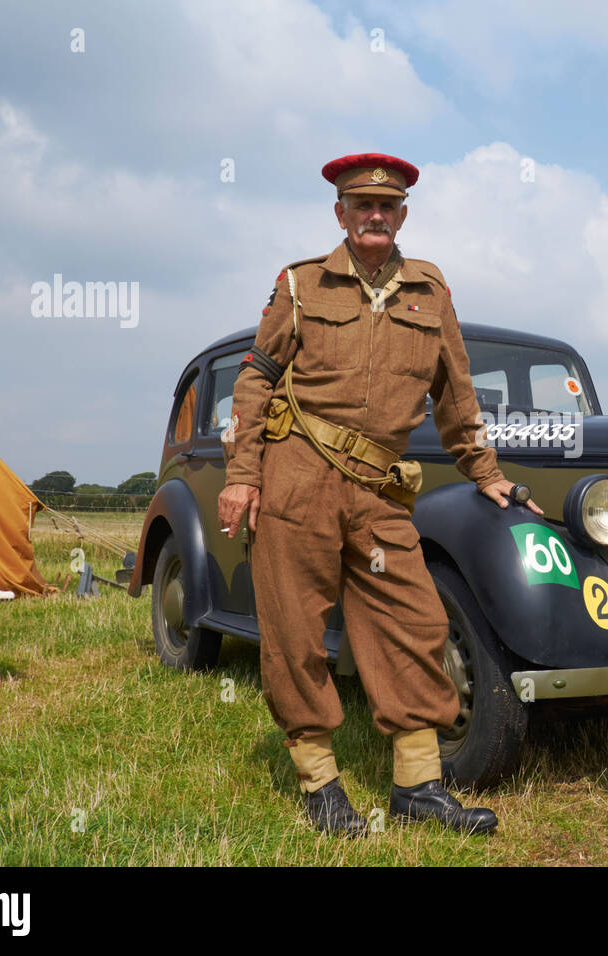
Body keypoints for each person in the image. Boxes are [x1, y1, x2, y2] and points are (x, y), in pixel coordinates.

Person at [216, 153, 542, 837]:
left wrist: (488, 475)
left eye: (386, 207)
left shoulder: (431, 292)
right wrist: (244, 476)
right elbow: (256, 379)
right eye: (360, 205)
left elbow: (457, 398)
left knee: (415, 623)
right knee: (295, 633)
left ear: (402, 217)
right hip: (295, 478)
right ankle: (320, 784)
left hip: (378, 489)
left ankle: (418, 787)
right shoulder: (301, 285)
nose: (374, 215)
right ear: (340, 214)